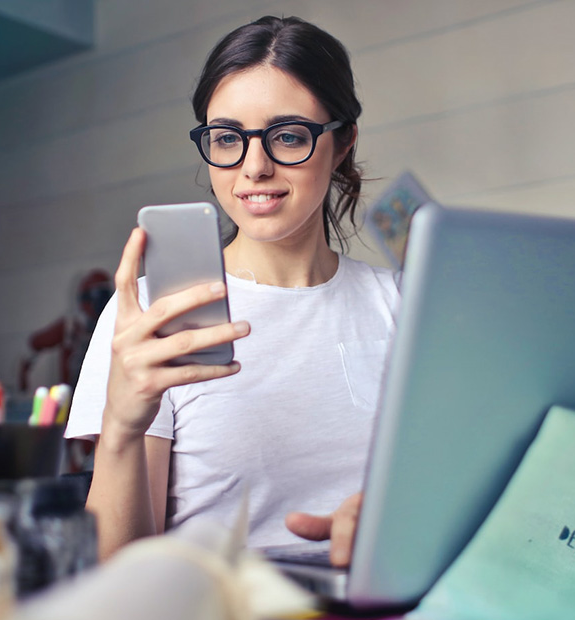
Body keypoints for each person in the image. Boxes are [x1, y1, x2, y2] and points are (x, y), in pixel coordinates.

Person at [66, 15, 399, 564]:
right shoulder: (154, 314)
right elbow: (117, 573)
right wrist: (121, 426)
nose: (254, 167)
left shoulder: (404, 306)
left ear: (342, 143)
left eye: (288, 136)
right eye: (227, 139)